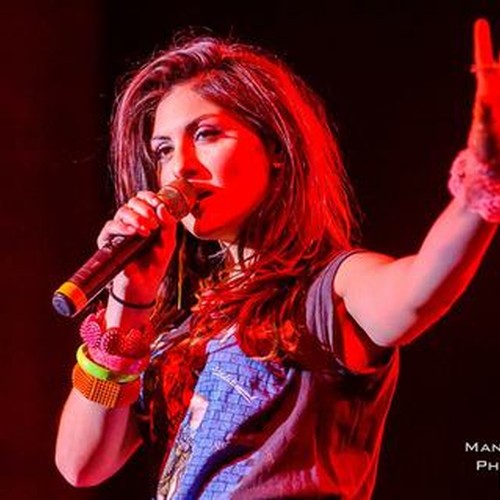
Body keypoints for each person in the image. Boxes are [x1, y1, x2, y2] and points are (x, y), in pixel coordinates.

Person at [55, 18, 500, 499]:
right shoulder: (180, 331)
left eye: (205, 134)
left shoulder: (325, 289)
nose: (180, 166)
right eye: (163, 150)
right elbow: (81, 465)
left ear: (276, 149)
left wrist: (481, 185)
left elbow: (418, 289)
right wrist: (129, 299)